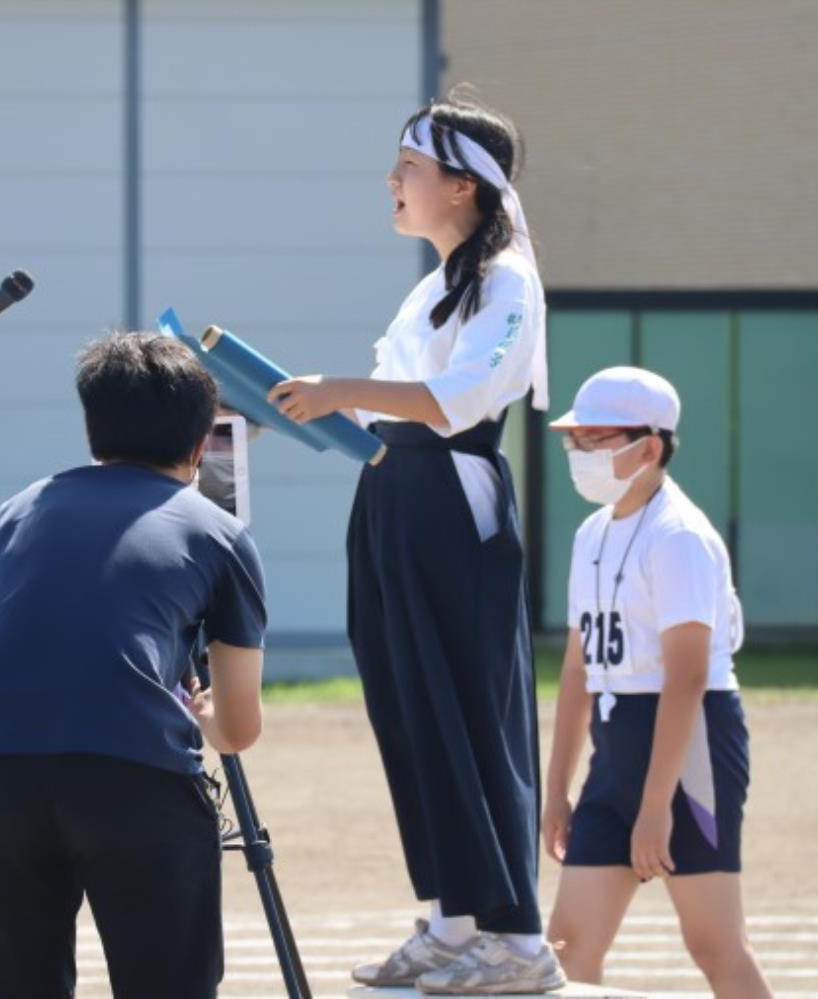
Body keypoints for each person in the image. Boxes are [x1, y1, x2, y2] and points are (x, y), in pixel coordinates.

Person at [267, 89, 562, 995]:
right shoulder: (433, 287)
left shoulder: (508, 281)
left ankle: (515, 938)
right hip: (392, 499)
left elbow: (453, 402)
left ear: (466, 188)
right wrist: (280, 401)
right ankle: (449, 919)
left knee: (471, 713)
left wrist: (336, 387)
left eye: (410, 167)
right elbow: (379, 402)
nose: (392, 181)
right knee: (408, 712)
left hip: (451, 507)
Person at [0, 332, 267, 999]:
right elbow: (237, 730)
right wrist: (203, 708)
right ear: (197, 443)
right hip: (133, 767)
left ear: (94, 429)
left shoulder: (15, 512)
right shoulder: (219, 532)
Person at [542, 367, 773, 998]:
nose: (579, 454)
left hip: (690, 748)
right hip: (618, 745)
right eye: (574, 440)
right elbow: (576, 669)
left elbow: (689, 676)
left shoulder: (680, 537)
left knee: (715, 945)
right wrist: (556, 789)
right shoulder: (591, 534)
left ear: (650, 447)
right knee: (568, 944)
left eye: (595, 439)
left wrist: (653, 807)